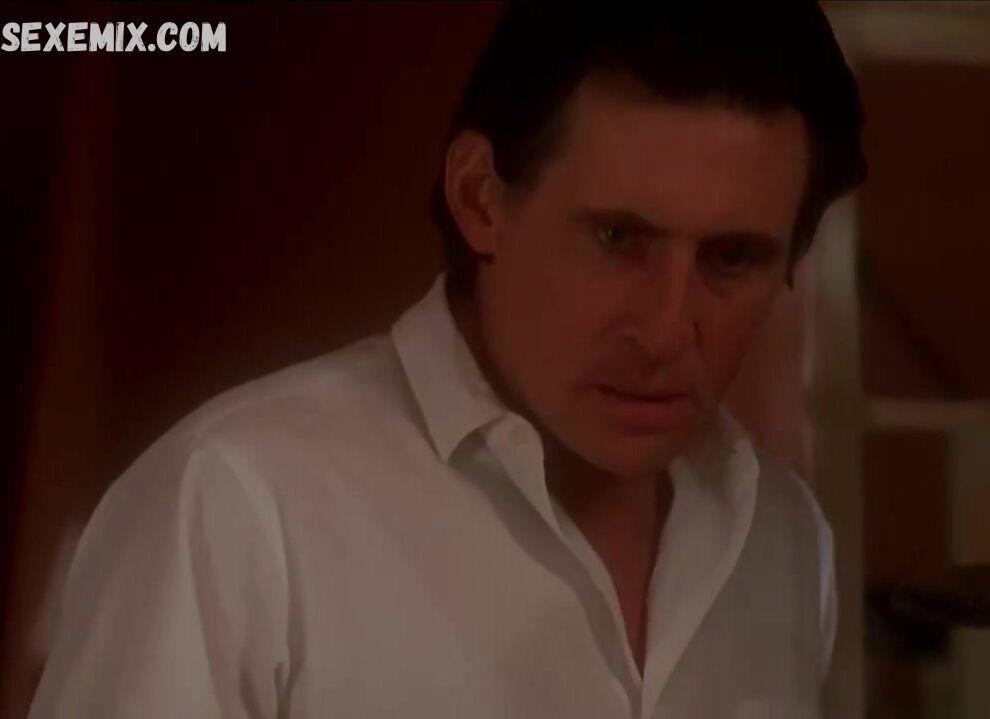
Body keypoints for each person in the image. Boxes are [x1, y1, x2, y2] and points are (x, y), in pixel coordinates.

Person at [28, 2, 865, 717]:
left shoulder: (783, 539)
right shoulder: (238, 503)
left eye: (731, 258)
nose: (666, 331)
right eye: (617, 238)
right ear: (479, 197)